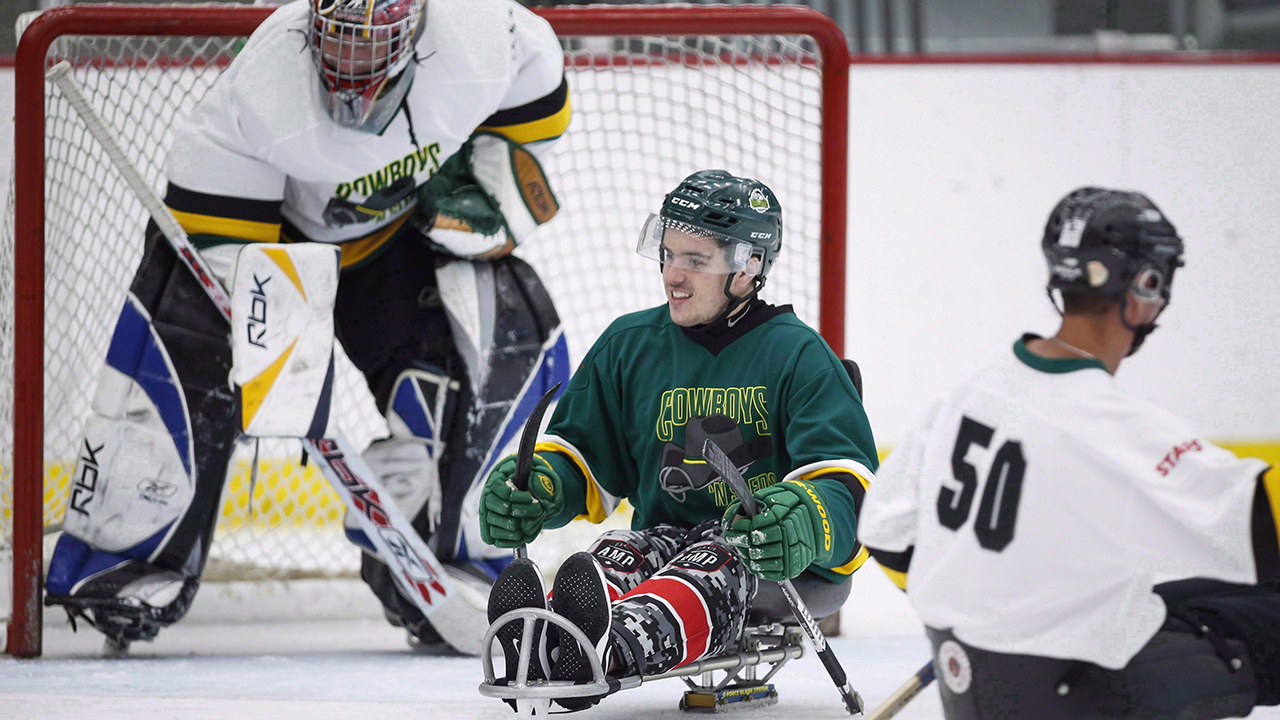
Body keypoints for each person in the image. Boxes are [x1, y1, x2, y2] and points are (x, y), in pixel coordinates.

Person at [45, 0, 572, 652]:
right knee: (185, 325)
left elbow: (534, 111)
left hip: (398, 241)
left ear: (414, 33)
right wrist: (280, 345)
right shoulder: (261, 92)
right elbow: (219, 254)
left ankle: (451, 546)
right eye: (339, 40)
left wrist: (489, 187)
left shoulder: (486, 36)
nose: (350, 63)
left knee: (512, 326)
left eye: (370, 43)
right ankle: (130, 551)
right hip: (271, 239)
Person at [857, 187, 1280, 720]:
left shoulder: (973, 385)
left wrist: (985, 605)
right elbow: (1260, 523)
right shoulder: (1112, 423)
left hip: (971, 672)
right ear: (1146, 286)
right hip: (1078, 687)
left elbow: (884, 532)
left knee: (1193, 592)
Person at [477, 170, 879, 710]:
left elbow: (848, 482)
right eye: (667, 254)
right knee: (618, 553)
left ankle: (605, 651)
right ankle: (550, 637)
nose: (673, 274)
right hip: (665, 537)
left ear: (747, 267)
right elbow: (585, 456)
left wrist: (805, 517)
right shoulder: (629, 344)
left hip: (767, 557)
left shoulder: (799, 355)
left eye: (696, 260)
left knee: (713, 562)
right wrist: (543, 486)